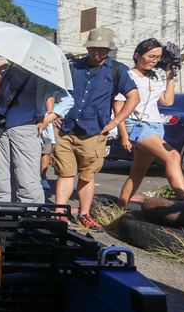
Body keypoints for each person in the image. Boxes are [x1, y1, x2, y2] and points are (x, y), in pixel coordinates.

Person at [53, 27, 140, 229]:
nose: (97, 53)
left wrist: (115, 122)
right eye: (93, 49)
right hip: (66, 128)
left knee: (87, 175)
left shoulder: (117, 70)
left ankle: (84, 214)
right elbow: (53, 89)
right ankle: (59, 213)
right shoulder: (73, 66)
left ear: (109, 50)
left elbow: (133, 97)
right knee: (64, 173)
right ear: (88, 48)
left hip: (94, 132)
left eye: (102, 49)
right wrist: (54, 113)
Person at [116, 40, 184, 207]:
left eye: (157, 57)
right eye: (150, 56)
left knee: (138, 172)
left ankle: (119, 207)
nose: (154, 60)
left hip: (156, 125)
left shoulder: (156, 76)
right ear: (137, 56)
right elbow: (118, 105)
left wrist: (170, 76)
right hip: (135, 123)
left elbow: (167, 101)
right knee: (173, 156)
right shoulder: (128, 75)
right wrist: (124, 134)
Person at [0, 64, 70, 204]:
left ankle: (30, 215)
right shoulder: (9, 72)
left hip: (25, 128)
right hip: (1, 129)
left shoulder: (42, 75)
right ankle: (1, 210)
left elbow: (68, 100)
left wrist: (47, 119)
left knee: (26, 177)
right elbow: (0, 97)